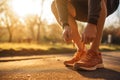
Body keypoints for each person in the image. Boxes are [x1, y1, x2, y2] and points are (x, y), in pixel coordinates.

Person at [51, 0, 119, 70]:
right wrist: (65, 25)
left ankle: (94, 53)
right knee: (54, 6)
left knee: (100, 2)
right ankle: (82, 51)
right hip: (82, 4)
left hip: (109, 3)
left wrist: (92, 23)